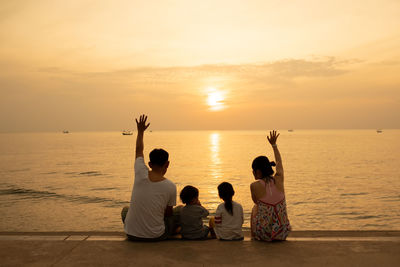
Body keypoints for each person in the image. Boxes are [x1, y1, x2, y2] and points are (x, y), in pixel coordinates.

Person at [121, 115, 177, 241]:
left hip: (131, 234)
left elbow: (138, 149)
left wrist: (140, 132)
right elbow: (168, 214)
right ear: (167, 164)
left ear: (150, 164)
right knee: (177, 212)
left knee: (125, 211)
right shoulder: (171, 186)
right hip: (156, 236)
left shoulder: (140, 172)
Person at [250, 130, 291, 241]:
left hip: (264, 235)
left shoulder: (254, 185)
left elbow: (256, 203)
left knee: (255, 208)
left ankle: (254, 236)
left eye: (253, 170)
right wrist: (274, 146)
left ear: (258, 171)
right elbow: (279, 163)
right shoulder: (279, 179)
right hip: (282, 233)